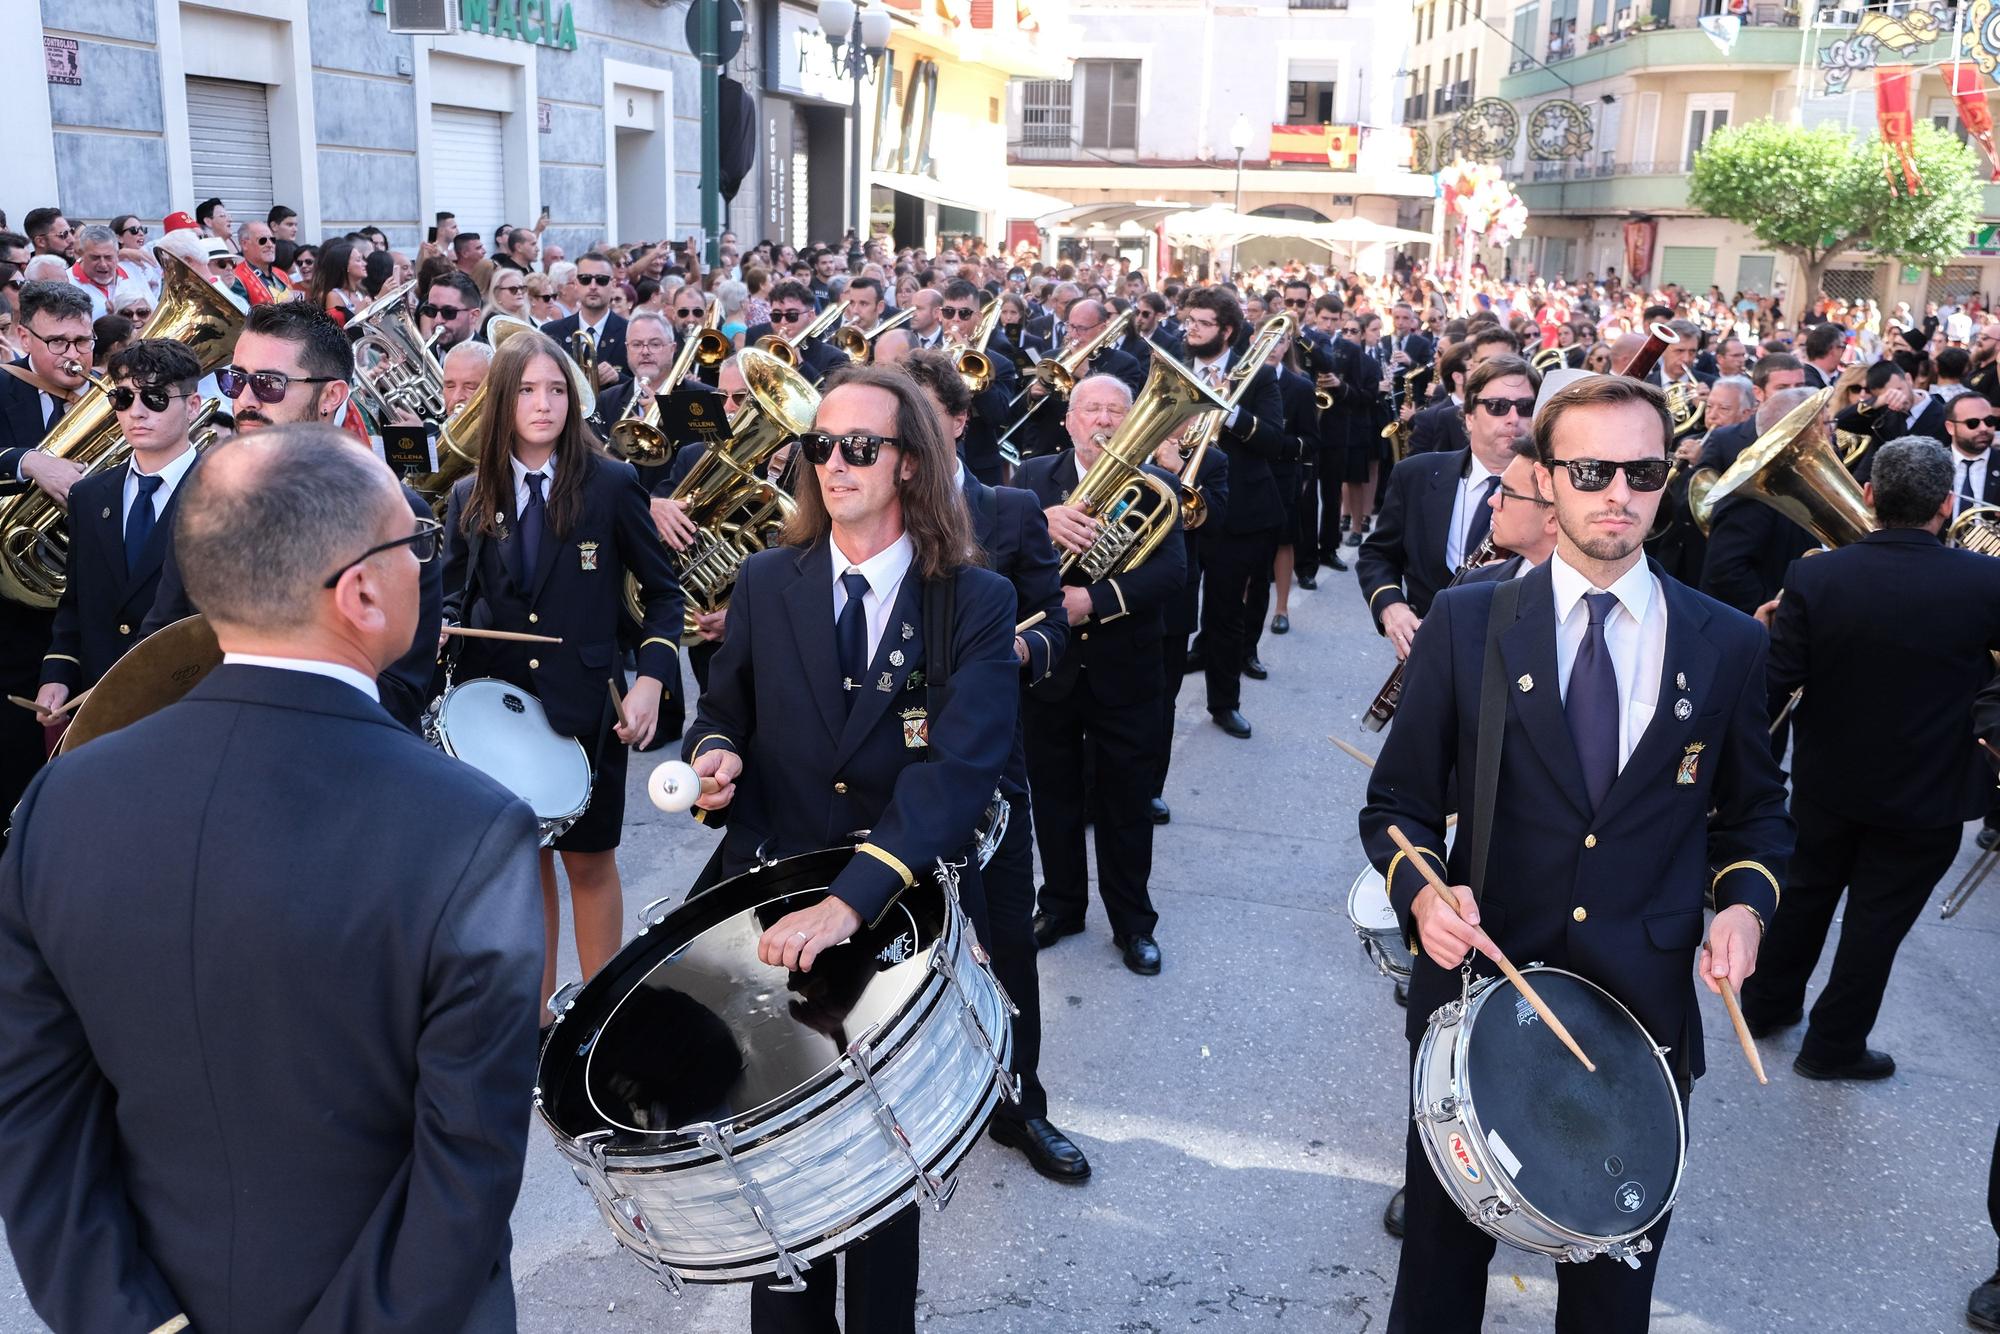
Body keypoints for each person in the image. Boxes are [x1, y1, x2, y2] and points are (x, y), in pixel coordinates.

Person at [0, 423, 543, 1332]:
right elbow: (468, 1164)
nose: (425, 560)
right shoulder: (472, 829)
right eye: (416, 541)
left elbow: (36, 1121)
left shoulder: (63, 800)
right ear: (361, 592)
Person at [1362, 372, 1791, 1332]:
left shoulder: (1725, 643)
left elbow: (1757, 817)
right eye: (1591, 468)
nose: (1619, 493)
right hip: (1481, 996)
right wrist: (1425, 896)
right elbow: (1395, 806)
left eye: (1643, 470)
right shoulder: (1470, 623)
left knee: (1610, 1292)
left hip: (1639, 1017)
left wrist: (1742, 908)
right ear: (1545, 479)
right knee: (1438, 1265)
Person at [683, 365, 1018, 1334]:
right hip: (767, 904)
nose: (833, 463)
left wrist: (854, 898)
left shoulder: (975, 600)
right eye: (819, 446)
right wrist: (712, 753)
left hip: (894, 912)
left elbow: (957, 771)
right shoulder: (761, 579)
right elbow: (721, 708)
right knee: (779, 1177)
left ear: (909, 462)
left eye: (858, 447)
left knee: (877, 1181)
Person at [441, 329, 683, 1029]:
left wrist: (650, 681)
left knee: (588, 860)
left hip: (586, 709)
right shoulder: (468, 493)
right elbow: (455, 601)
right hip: (500, 714)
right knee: (527, 864)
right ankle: (542, 1018)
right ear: (501, 402)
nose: (543, 404)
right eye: (526, 390)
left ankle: (599, 1020)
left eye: (556, 390)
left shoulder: (610, 483)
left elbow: (665, 596)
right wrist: (436, 630)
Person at [1742, 437, 2000, 1078]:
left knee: (1803, 894)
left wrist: (1764, 628)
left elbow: (1780, 677)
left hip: (1829, 778)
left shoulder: (1815, 573)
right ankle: (1831, 1047)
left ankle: (1765, 1005)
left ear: (1868, 495)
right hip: (1931, 789)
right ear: (1947, 504)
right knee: (1876, 925)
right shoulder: (1988, 579)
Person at [901, 348, 1087, 1182]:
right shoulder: (869, 513)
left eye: (923, 425)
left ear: (960, 424)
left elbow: (1056, 630)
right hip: (889, 767)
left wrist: (1006, 647)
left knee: (1006, 939)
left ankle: (1021, 1104)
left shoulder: (1011, 511)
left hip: (990, 771)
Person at [141, 301, 443, 730]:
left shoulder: (397, 516)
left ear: (332, 396)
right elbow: (162, 636)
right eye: (236, 379)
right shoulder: (207, 492)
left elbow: (402, 687)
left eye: (269, 384)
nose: (245, 400)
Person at [1014, 374, 1185, 975]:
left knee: (1127, 803)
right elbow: (992, 555)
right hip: (1049, 670)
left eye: (1116, 410)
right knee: (1053, 798)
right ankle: (1060, 905)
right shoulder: (1034, 480)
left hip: (1128, 670)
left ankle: (1133, 922)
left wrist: (1098, 600)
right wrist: (1041, 523)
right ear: (1069, 420)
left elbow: (1170, 575)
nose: (1104, 421)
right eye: (1092, 410)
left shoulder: (1159, 484)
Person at [35, 340, 203, 719]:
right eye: (123, 398)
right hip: (97, 708)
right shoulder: (89, 495)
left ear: (192, 406)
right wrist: (58, 672)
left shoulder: (226, 495)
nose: (137, 412)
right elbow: (76, 602)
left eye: (156, 398)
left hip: (181, 707)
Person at [1358, 354, 1541, 663]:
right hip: (1426, 653)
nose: (1513, 418)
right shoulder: (1415, 475)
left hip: (1515, 659)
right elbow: (1377, 554)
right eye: (1497, 406)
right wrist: (1391, 606)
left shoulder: (1556, 491)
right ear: (1469, 416)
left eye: (1526, 408)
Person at [0, 281, 95, 851]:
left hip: (89, 600)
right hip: (14, 612)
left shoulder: (113, 393)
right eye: (56, 340)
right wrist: (30, 461)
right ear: (19, 336)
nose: (72, 355)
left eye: (82, 340)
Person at [1175, 289, 1289, 736]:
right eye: (1190, 321)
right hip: (1181, 507)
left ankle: (1224, 703)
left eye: (1202, 323)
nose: (1192, 329)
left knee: (1226, 613)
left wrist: (1231, 410)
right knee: (1176, 605)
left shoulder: (1258, 377)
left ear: (1226, 331)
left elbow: (1275, 441)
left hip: (1239, 512)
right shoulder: (1177, 367)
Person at [540, 252, 630, 387]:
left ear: (613, 284)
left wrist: (618, 377)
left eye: (601, 280)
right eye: (585, 279)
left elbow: (647, 384)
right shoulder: (550, 333)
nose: (593, 286)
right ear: (576, 284)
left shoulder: (630, 332)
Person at [741, 280, 849, 385]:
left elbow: (827, 397)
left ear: (810, 316)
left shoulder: (835, 358)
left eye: (792, 315)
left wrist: (800, 363)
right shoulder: (761, 347)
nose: (783, 322)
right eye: (776, 316)